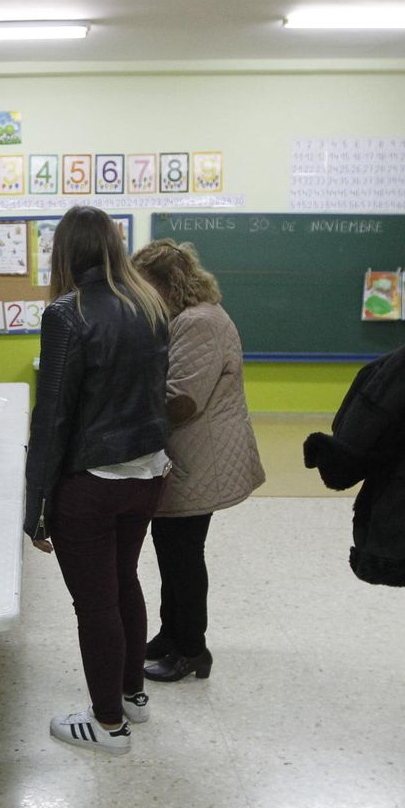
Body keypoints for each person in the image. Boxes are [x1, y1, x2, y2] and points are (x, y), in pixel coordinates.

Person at [23, 205, 169, 755]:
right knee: (123, 581)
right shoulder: (149, 305)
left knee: (96, 604)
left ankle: (108, 724)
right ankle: (131, 693)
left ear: (63, 252)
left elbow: (54, 414)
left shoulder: (68, 313)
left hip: (92, 481)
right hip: (147, 474)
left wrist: (35, 508)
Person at [130, 239, 266, 683]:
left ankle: (191, 649)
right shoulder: (187, 318)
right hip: (189, 457)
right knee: (173, 552)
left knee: (183, 556)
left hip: (198, 459)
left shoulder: (199, 322)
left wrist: (123, 411)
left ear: (170, 285)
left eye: (146, 286)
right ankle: (173, 635)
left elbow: (182, 400)